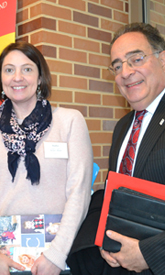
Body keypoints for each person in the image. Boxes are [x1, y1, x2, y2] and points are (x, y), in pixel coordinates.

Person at [0, 41, 93, 275]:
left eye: (27, 69)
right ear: (1, 78)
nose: (17, 77)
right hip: (4, 256)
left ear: (40, 78)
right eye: (9, 70)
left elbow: (78, 192)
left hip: (59, 254)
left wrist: (56, 255)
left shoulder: (69, 121)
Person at [67, 23, 165, 275]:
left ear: (162, 59)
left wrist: (149, 254)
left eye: (136, 59)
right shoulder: (123, 127)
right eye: (118, 65)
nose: (126, 72)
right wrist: (105, 240)